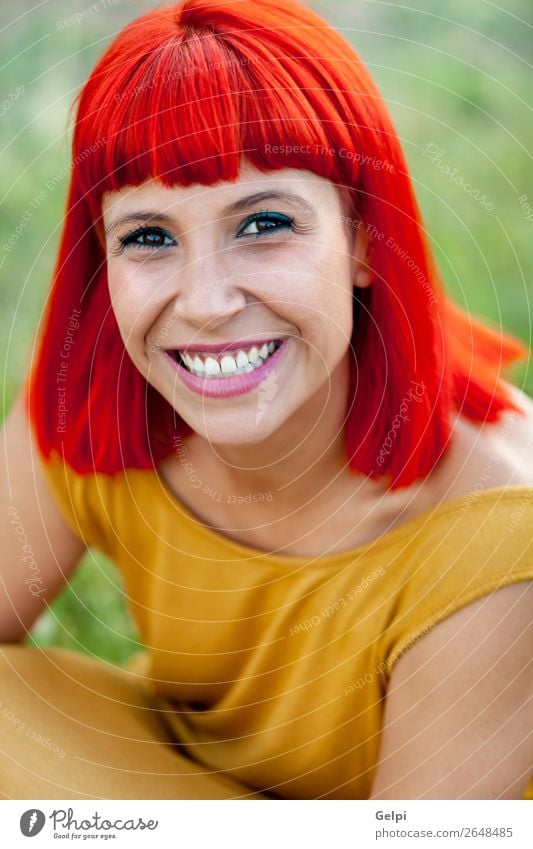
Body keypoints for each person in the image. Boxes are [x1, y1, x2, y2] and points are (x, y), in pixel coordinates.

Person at [1, 0, 532, 800]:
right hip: (182, 778)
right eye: (148, 236)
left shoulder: (501, 532)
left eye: (264, 224)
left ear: (361, 238)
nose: (205, 301)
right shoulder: (89, 405)